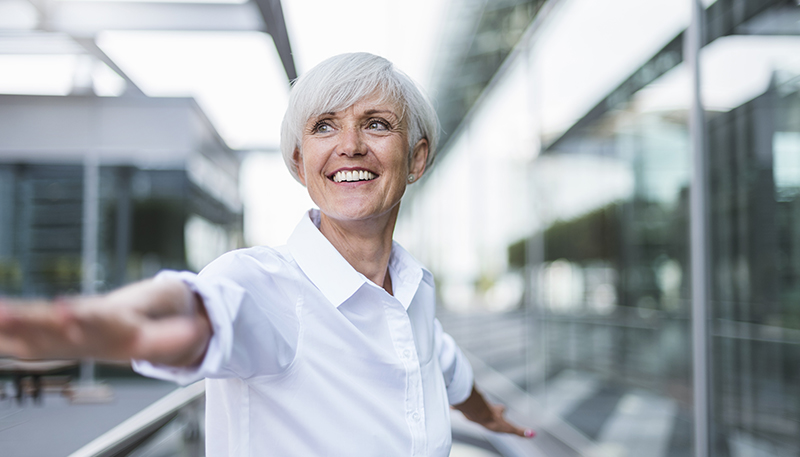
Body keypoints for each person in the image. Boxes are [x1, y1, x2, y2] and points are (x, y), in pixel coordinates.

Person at [0, 52, 533, 456]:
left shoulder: (412, 290)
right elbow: (181, 315)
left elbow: (440, 361)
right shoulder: (264, 287)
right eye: (324, 126)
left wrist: (489, 414)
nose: (349, 144)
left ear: (416, 158)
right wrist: (56, 325)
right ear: (301, 164)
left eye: (376, 123)